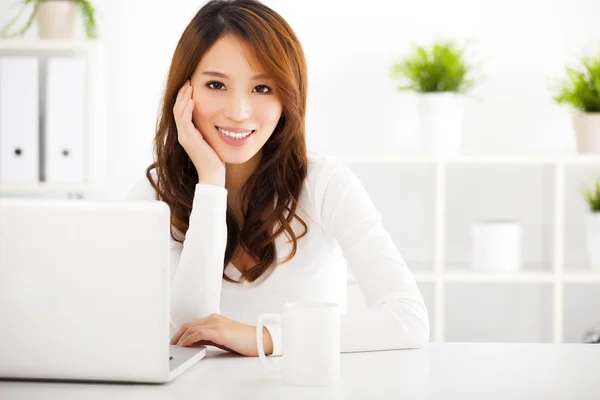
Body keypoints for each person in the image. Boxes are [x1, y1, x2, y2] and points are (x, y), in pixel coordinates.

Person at [126, 0, 429, 357]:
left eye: (262, 88)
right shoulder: (154, 194)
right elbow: (185, 336)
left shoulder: (324, 184)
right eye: (215, 85)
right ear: (183, 92)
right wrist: (210, 182)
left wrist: (265, 338)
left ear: (288, 97)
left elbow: (408, 319)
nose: (238, 112)